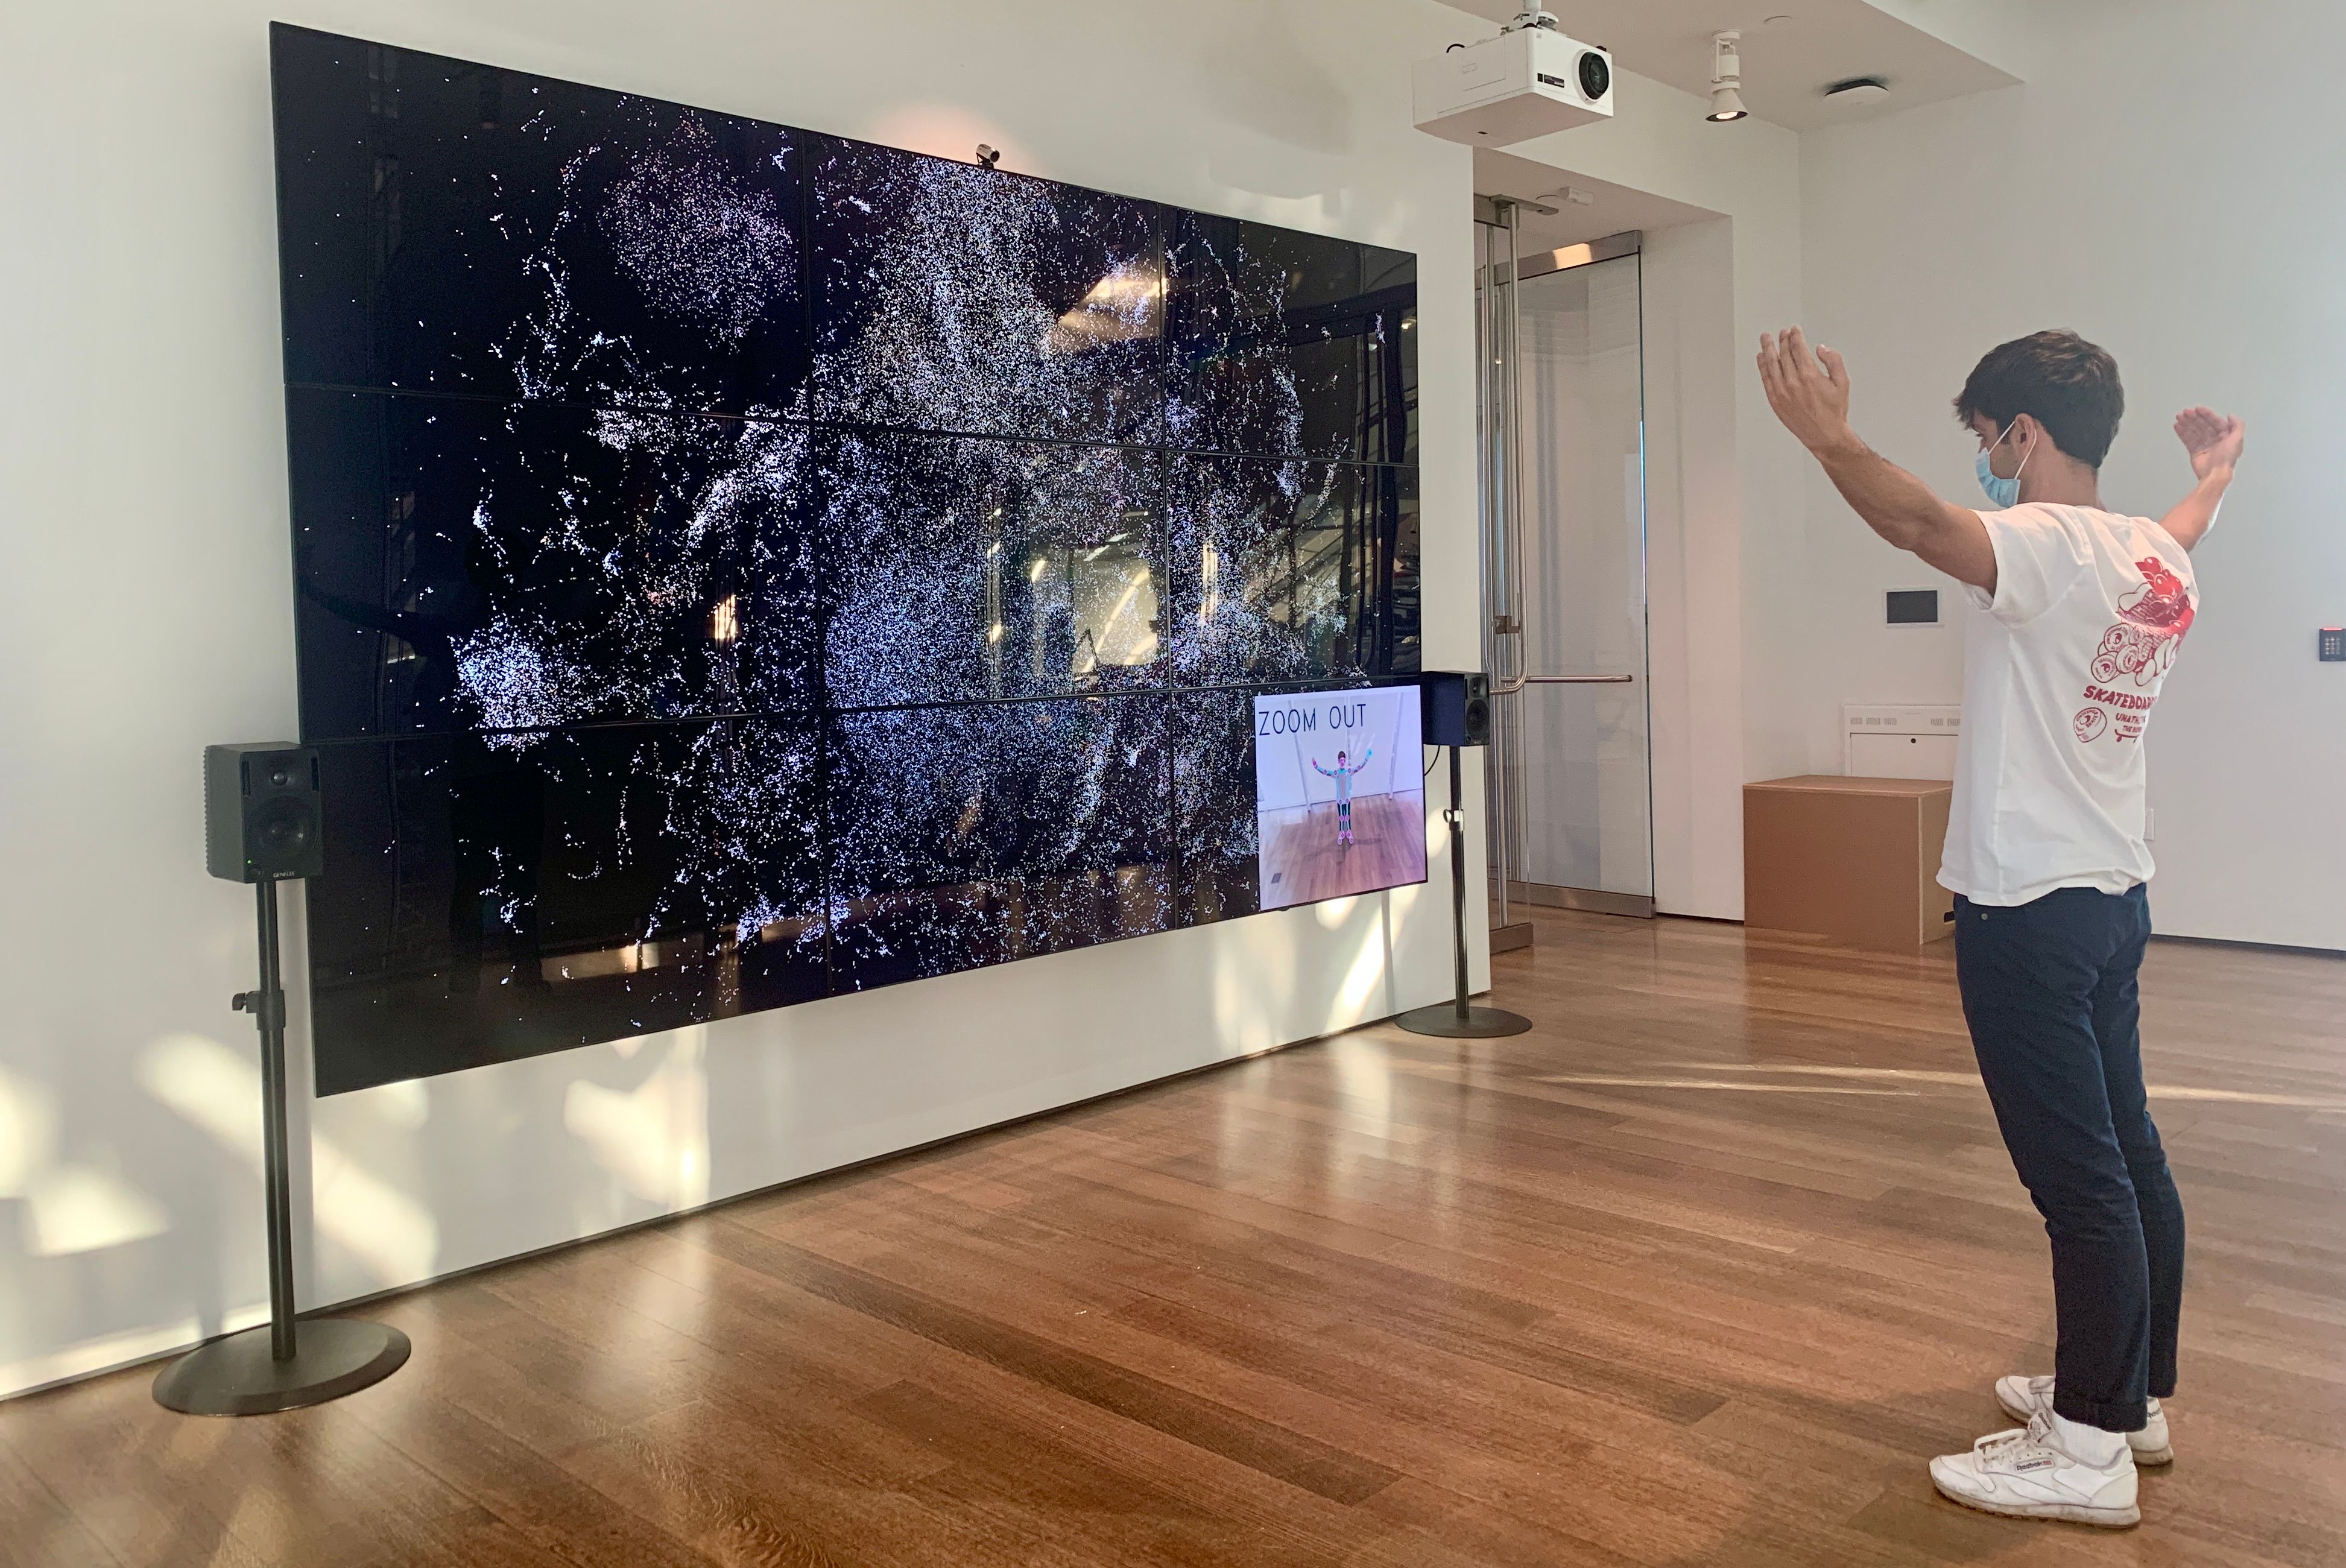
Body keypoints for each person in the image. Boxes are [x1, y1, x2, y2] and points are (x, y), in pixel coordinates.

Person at [1756, 326, 2243, 1529]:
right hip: (2115, 899)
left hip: (2027, 910)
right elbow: (2188, 520)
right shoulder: (2148, 555)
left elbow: (1924, 525)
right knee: (2127, 1156)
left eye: (1983, 440)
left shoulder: (2036, 543)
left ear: (2021, 433)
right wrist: (2217, 471)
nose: (1980, 462)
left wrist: (1827, 438)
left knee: (2081, 1180)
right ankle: (2130, 1400)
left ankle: (2085, 1447)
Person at [1311, 747, 1371, 847]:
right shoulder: (1336, 773)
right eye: (1341, 760)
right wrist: (1316, 767)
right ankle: (1341, 832)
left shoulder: (1349, 771)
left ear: (1345, 760)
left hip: (1347, 799)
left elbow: (1359, 768)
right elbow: (1326, 772)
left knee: (1347, 816)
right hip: (1340, 800)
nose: (1342, 762)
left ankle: (1349, 832)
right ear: (1338, 761)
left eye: (1344, 760)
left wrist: (1366, 759)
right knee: (1341, 817)